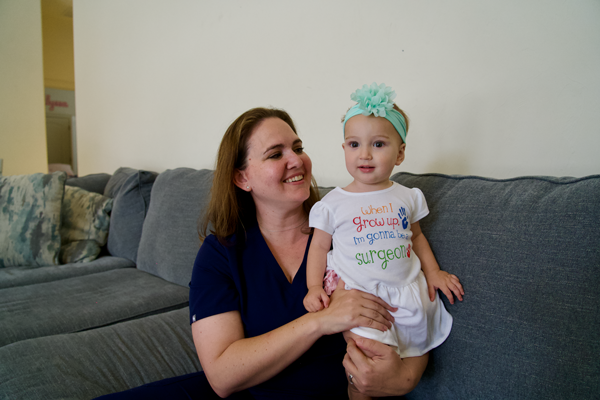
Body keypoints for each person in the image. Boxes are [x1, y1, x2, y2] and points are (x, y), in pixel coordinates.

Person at [96, 106, 433, 400]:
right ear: (242, 178)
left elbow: (412, 298)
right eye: (276, 154)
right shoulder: (221, 253)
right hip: (247, 393)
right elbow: (224, 377)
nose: (296, 159)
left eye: (297, 147)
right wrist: (319, 321)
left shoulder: (354, 228)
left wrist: (408, 376)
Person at [303, 83, 464, 399]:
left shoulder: (406, 197)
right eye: (353, 144)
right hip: (361, 298)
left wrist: (433, 272)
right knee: (365, 371)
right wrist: (313, 287)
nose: (364, 154)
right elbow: (319, 247)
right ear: (344, 149)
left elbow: (416, 236)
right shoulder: (333, 204)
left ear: (400, 153)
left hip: (408, 292)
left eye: (378, 144)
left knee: (416, 349)